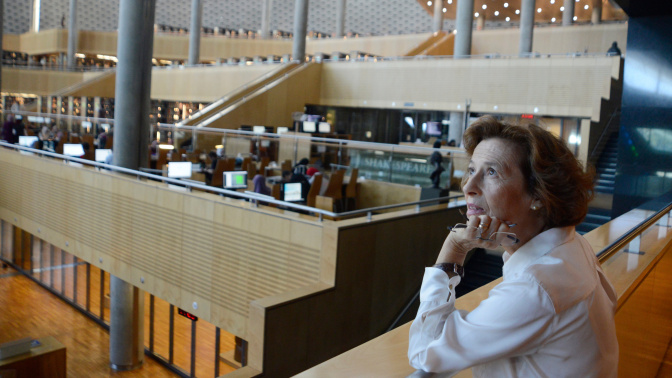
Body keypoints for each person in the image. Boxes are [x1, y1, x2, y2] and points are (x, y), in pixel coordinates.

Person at [408, 116, 618, 376]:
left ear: (537, 196)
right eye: (472, 170)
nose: (468, 186)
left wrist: (454, 248)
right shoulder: (573, 246)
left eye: (492, 172)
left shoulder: (537, 287)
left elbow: (425, 353)